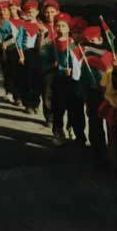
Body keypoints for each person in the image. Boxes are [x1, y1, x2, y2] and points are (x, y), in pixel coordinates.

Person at [77, 26, 114, 168]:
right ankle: (98, 155)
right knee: (95, 125)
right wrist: (85, 97)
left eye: (94, 40)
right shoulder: (87, 58)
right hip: (94, 94)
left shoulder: (110, 53)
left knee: (111, 126)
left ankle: (113, 155)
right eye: (88, 41)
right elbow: (83, 79)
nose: (91, 44)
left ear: (101, 39)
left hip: (110, 94)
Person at [50, 12, 84, 146]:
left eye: (64, 26)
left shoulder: (74, 44)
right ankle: (58, 131)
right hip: (58, 81)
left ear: (69, 28)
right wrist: (56, 67)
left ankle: (78, 133)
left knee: (76, 108)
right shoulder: (51, 44)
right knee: (59, 108)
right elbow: (45, 61)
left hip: (74, 81)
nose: (60, 29)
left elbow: (79, 61)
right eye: (58, 26)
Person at [98, 56, 117, 173]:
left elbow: (102, 86)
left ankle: (114, 162)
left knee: (112, 136)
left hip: (112, 107)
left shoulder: (109, 71)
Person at [38, 0, 60, 126]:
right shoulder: (42, 27)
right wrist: (42, 35)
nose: (49, 14)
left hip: (61, 66)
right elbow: (40, 51)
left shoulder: (62, 26)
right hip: (47, 66)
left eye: (52, 12)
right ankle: (50, 117)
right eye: (47, 12)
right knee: (47, 92)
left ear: (57, 12)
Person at [19, 0, 43, 115]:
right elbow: (18, 42)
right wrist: (21, 56)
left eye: (33, 12)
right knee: (27, 80)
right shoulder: (23, 25)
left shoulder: (40, 25)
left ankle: (36, 103)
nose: (30, 14)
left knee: (37, 80)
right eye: (28, 12)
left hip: (38, 55)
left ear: (37, 12)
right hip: (26, 53)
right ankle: (28, 104)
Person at [0, 1, 15, 102]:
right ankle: (8, 92)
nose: (2, 12)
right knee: (6, 72)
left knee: (15, 72)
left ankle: (17, 94)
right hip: (2, 50)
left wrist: (7, 42)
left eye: (5, 10)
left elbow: (17, 36)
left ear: (9, 11)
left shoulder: (14, 22)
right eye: (0, 10)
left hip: (14, 49)